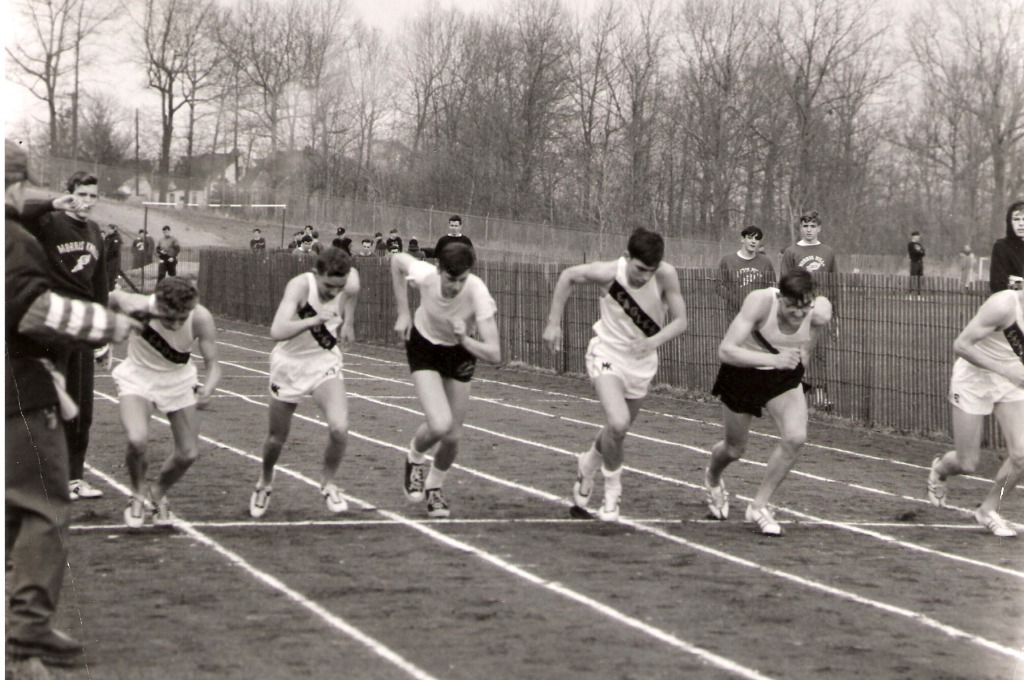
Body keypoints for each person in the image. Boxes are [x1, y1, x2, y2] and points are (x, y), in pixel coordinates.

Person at [6, 140, 141, 668]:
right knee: (42, 509)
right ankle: (28, 628)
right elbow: (33, 310)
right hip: (18, 391)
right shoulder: (14, 239)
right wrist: (108, 325)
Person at [542, 228, 688, 521]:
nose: (645, 277)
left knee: (617, 431)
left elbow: (682, 320)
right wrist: (553, 322)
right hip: (606, 354)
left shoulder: (665, 275)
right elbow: (568, 276)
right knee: (618, 422)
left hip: (642, 363)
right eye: (639, 269)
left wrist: (651, 342)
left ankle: (588, 464)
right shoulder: (608, 272)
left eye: (651, 270)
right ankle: (612, 492)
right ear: (626, 257)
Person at [704, 268, 832, 535]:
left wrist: (797, 365)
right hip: (742, 371)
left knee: (796, 437)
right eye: (791, 306)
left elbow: (808, 342)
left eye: (804, 306)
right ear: (780, 297)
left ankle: (759, 506)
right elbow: (726, 350)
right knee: (734, 449)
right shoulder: (760, 301)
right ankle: (713, 479)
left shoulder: (819, 311)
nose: (799, 313)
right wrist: (773, 359)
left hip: (781, 376)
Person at [19, 170, 109, 501]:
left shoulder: (96, 231)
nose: (85, 202)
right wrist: (51, 204)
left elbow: (99, 285)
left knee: (82, 407)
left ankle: (74, 478)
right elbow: (10, 212)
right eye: (80, 195)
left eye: (91, 196)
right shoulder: (49, 222)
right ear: (68, 193)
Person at [249, 247, 360, 518]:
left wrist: (348, 321)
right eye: (329, 286)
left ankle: (328, 483)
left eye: (339, 287)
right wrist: (312, 320)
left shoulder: (350, 280)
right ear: (316, 274)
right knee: (277, 438)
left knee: (339, 428)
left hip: (324, 361)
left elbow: (353, 286)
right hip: (289, 365)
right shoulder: (299, 286)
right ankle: (264, 481)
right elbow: (277, 330)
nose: (335, 293)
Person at [391, 243, 501, 518]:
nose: (455, 287)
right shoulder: (425, 275)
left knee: (452, 436)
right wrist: (403, 312)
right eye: (451, 280)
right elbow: (396, 261)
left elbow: (495, 353)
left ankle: (434, 487)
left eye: (461, 280)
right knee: (440, 424)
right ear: (439, 271)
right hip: (425, 346)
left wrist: (464, 339)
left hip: (459, 351)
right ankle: (415, 456)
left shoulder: (478, 293)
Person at [108, 278, 221, 528]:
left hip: (179, 381)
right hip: (138, 376)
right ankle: (137, 493)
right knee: (137, 440)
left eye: (183, 318)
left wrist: (208, 389)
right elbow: (113, 297)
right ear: (157, 304)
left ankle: (156, 493)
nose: (177, 324)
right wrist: (106, 334)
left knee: (188, 453)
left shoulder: (200, 316)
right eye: (170, 318)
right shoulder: (136, 304)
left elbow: (213, 364)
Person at [926, 284, 1024, 537]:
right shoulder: (1004, 305)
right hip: (973, 379)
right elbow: (961, 345)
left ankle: (988, 510)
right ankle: (939, 469)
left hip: (1009, 382)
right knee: (967, 462)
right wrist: (1005, 370)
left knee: (1022, 453)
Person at [780, 211, 837, 410]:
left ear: (819, 228)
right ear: (800, 228)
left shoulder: (828, 252)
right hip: (798, 310)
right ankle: (791, 393)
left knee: (819, 353)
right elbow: (785, 284)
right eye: (805, 226)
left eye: (813, 226)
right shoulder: (791, 252)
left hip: (819, 311)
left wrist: (835, 316)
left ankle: (820, 393)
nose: (809, 230)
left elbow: (833, 285)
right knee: (795, 352)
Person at [718, 225, 775, 314]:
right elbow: (719, 286)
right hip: (734, 312)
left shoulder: (765, 262)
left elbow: (771, 287)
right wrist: (735, 302)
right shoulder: (727, 260)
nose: (753, 241)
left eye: (757, 239)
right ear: (742, 239)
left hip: (758, 313)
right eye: (750, 238)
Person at [989, 200, 1024, 293]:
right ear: (1010, 221)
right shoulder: (1001, 247)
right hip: (1011, 303)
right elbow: (997, 285)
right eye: (1016, 219)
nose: (1021, 224)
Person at [103, 223, 124, 291]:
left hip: (113, 260)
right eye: (108, 229)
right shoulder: (108, 237)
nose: (108, 230)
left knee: (111, 276)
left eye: (110, 229)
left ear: (114, 230)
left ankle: (111, 290)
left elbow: (114, 250)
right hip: (107, 260)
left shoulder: (116, 238)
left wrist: (107, 256)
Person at [908, 230, 925, 295]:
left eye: (918, 236)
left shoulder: (919, 244)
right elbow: (913, 252)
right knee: (913, 277)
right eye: (917, 236)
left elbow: (923, 253)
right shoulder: (910, 244)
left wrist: (920, 252)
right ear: (913, 237)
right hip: (914, 262)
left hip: (920, 262)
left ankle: (919, 293)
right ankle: (910, 293)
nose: (918, 238)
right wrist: (919, 252)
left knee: (920, 278)